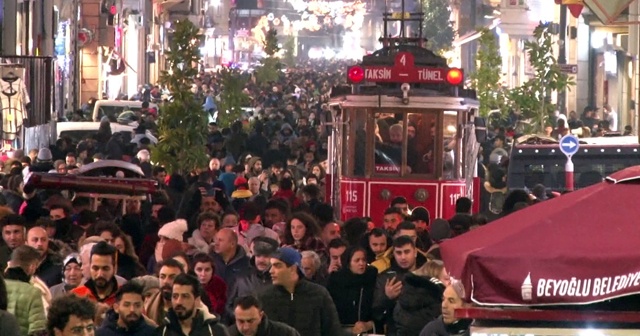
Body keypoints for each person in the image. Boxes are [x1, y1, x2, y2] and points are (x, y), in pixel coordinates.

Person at [259, 247, 341, 336]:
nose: (271, 271)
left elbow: (333, 330)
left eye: (277, 266)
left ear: (293, 268)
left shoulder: (319, 294)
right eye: (271, 266)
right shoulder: (265, 297)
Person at [156, 273, 230, 335]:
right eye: (175, 296)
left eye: (185, 296)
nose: (178, 302)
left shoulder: (216, 331)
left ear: (197, 300)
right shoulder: (162, 332)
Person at [4, 245, 47, 335]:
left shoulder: (2, 286)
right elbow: (38, 331)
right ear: (32, 266)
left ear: (10, 263)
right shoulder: (34, 292)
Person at [229, 295, 300, 336]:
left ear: (261, 315)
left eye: (250, 321)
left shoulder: (286, 334)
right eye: (241, 321)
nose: (246, 327)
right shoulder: (227, 334)